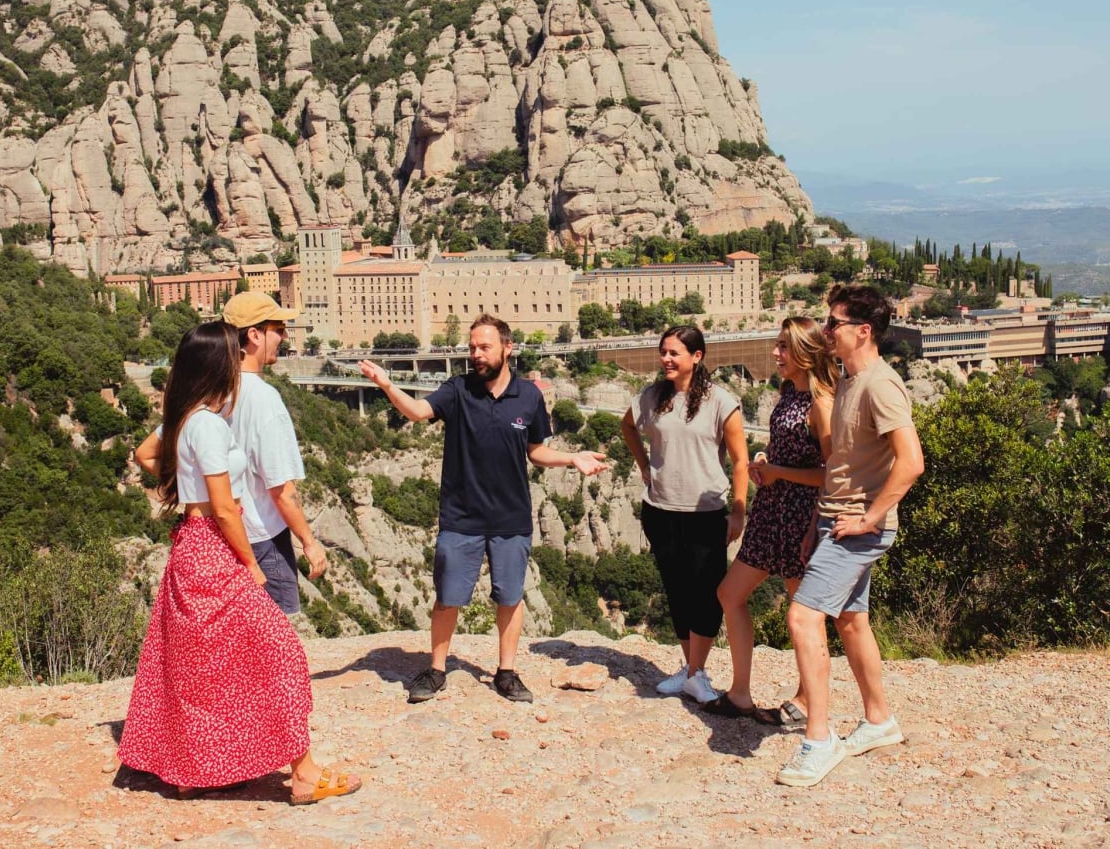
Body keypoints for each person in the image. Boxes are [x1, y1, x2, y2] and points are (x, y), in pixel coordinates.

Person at [118, 322, 360, 805]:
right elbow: (226, 507)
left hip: (191, 545)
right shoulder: (207, 425)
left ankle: (195, 768)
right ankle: (305, 774)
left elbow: (146, 453)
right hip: (213, 548)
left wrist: (179, 485)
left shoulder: (187, 417)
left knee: (203, 664)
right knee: (281, 654)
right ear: (219, 365)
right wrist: (249, 564)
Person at [358, 314, 608, 704]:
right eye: (472, 347)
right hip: (461, 516)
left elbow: (536, 451)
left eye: (484, 347)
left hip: (511, 517)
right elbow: (418, 412)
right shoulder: (457, 389)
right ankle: (437, 670)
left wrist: (572, 459)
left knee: (509, 598)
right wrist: (388, 385)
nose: (475, 354)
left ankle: (506, 673)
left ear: (507, 348)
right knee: (448, 597)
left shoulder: (529, 396)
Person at [776, 285, 924, 788]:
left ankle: (819, 739)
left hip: (856, 526)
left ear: (864, 331)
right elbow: (842, 466)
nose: (826, 329)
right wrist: (815, 529)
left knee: (802, 616)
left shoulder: (881, 384)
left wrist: (869, 519)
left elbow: (911, 462)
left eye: (834, 322)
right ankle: (879, 719)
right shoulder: (846, 381)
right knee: (851, 622)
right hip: (833, 520)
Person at [710, 316, 836, 722]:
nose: (775, 354)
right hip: (771, 510)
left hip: (802, 517)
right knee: (730, 595)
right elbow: (788, 450)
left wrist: (780, 472)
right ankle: (741, 693)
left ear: (805, 351)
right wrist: (768, 461)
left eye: (784, 347)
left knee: (804, 615)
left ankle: (807, 701)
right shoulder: (788, 393)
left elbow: (830, 474)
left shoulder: (822, 403)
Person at [620, 325, 749, 705]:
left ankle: (697, 672)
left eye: (674, 353)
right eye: (663, 352)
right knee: (677, 591)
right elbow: (627, 426)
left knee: (707, 594)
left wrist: (739, 511)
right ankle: (690, 670)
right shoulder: (652, 397)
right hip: (660, 509)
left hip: (705, 511)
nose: (666, 359)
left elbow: (741, 460)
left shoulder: (720, 401)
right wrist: (644, 464)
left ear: (697, 356)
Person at [221, 291, 329, 614]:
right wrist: (309, 542)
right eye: (278, 328)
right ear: (254, 335)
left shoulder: (215, 389)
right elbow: (281, 489)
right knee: (280, 639)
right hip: (264, 541)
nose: (283, 336)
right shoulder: (265, 400)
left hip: (227, 537)